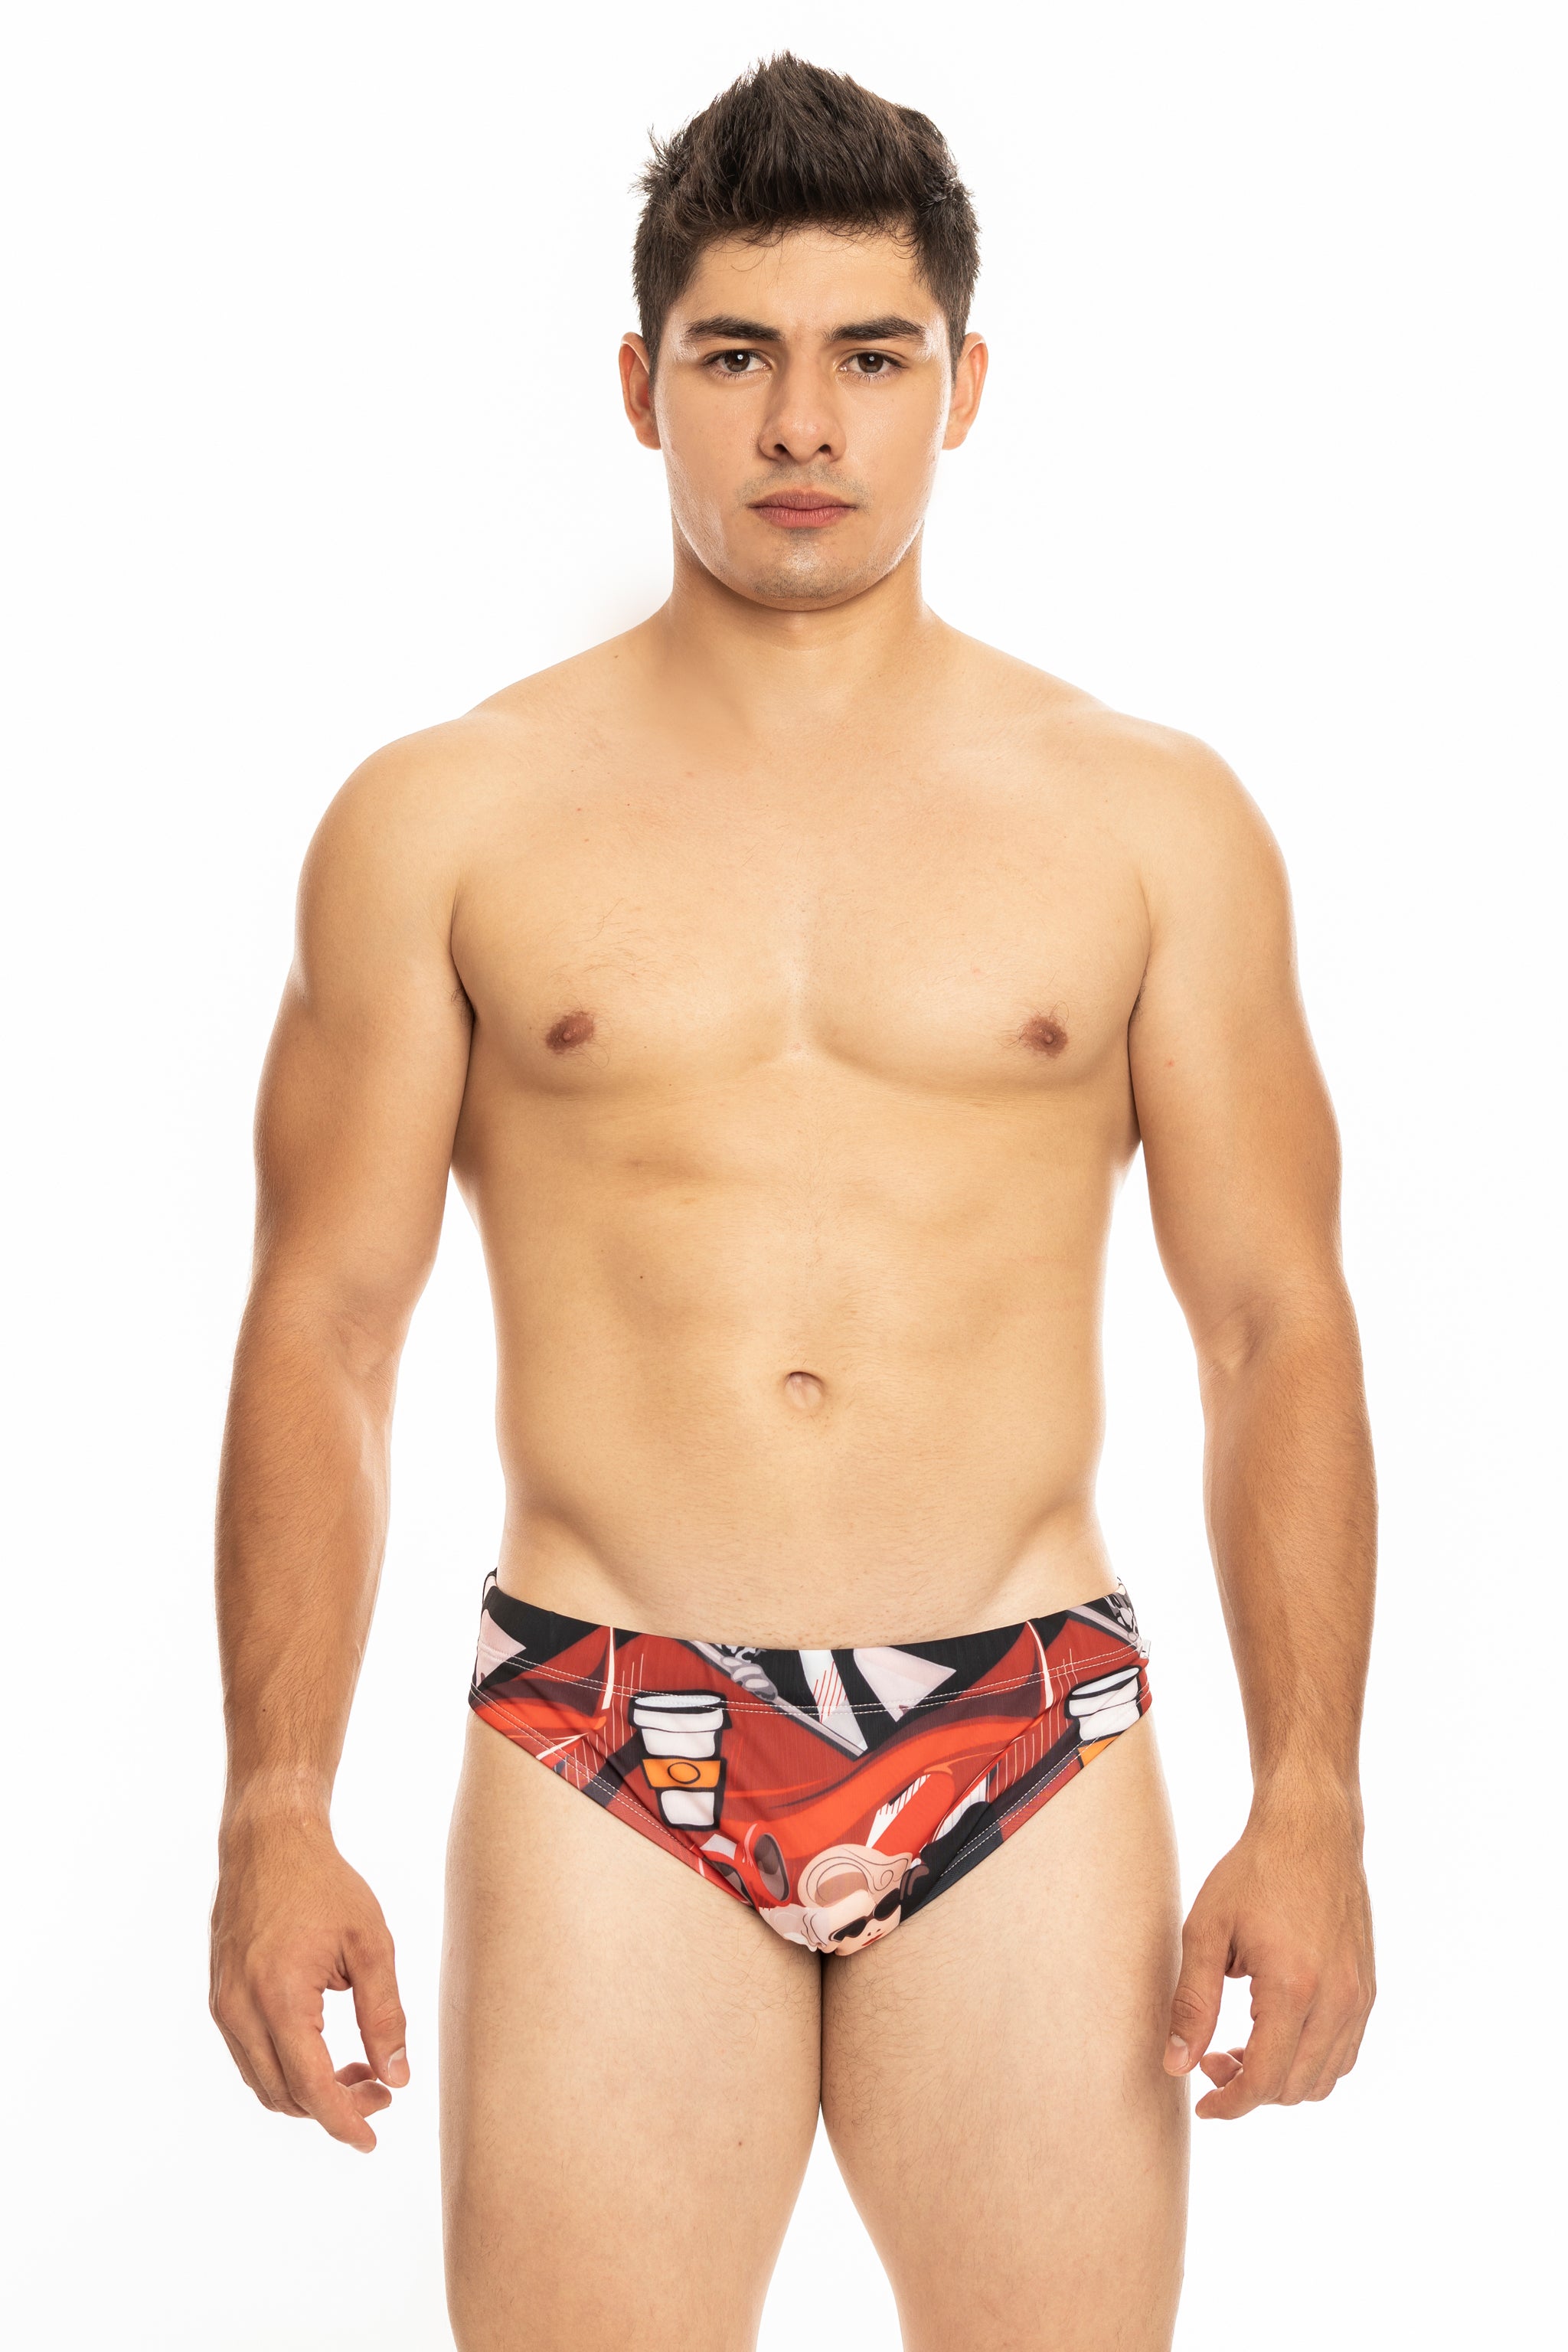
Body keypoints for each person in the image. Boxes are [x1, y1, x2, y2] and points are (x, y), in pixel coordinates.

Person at [208, 53, 1376, 2352]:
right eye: (738, 356)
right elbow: (323, 1323)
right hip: (605, 1715)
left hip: (1023, 1722)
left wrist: (1315, 1797)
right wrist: (271, 1801)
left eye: (874, 357)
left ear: (967, 386)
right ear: (642, 387)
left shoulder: (1151, 823)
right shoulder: (446, 818)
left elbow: (1276, 1323)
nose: (807, 424)